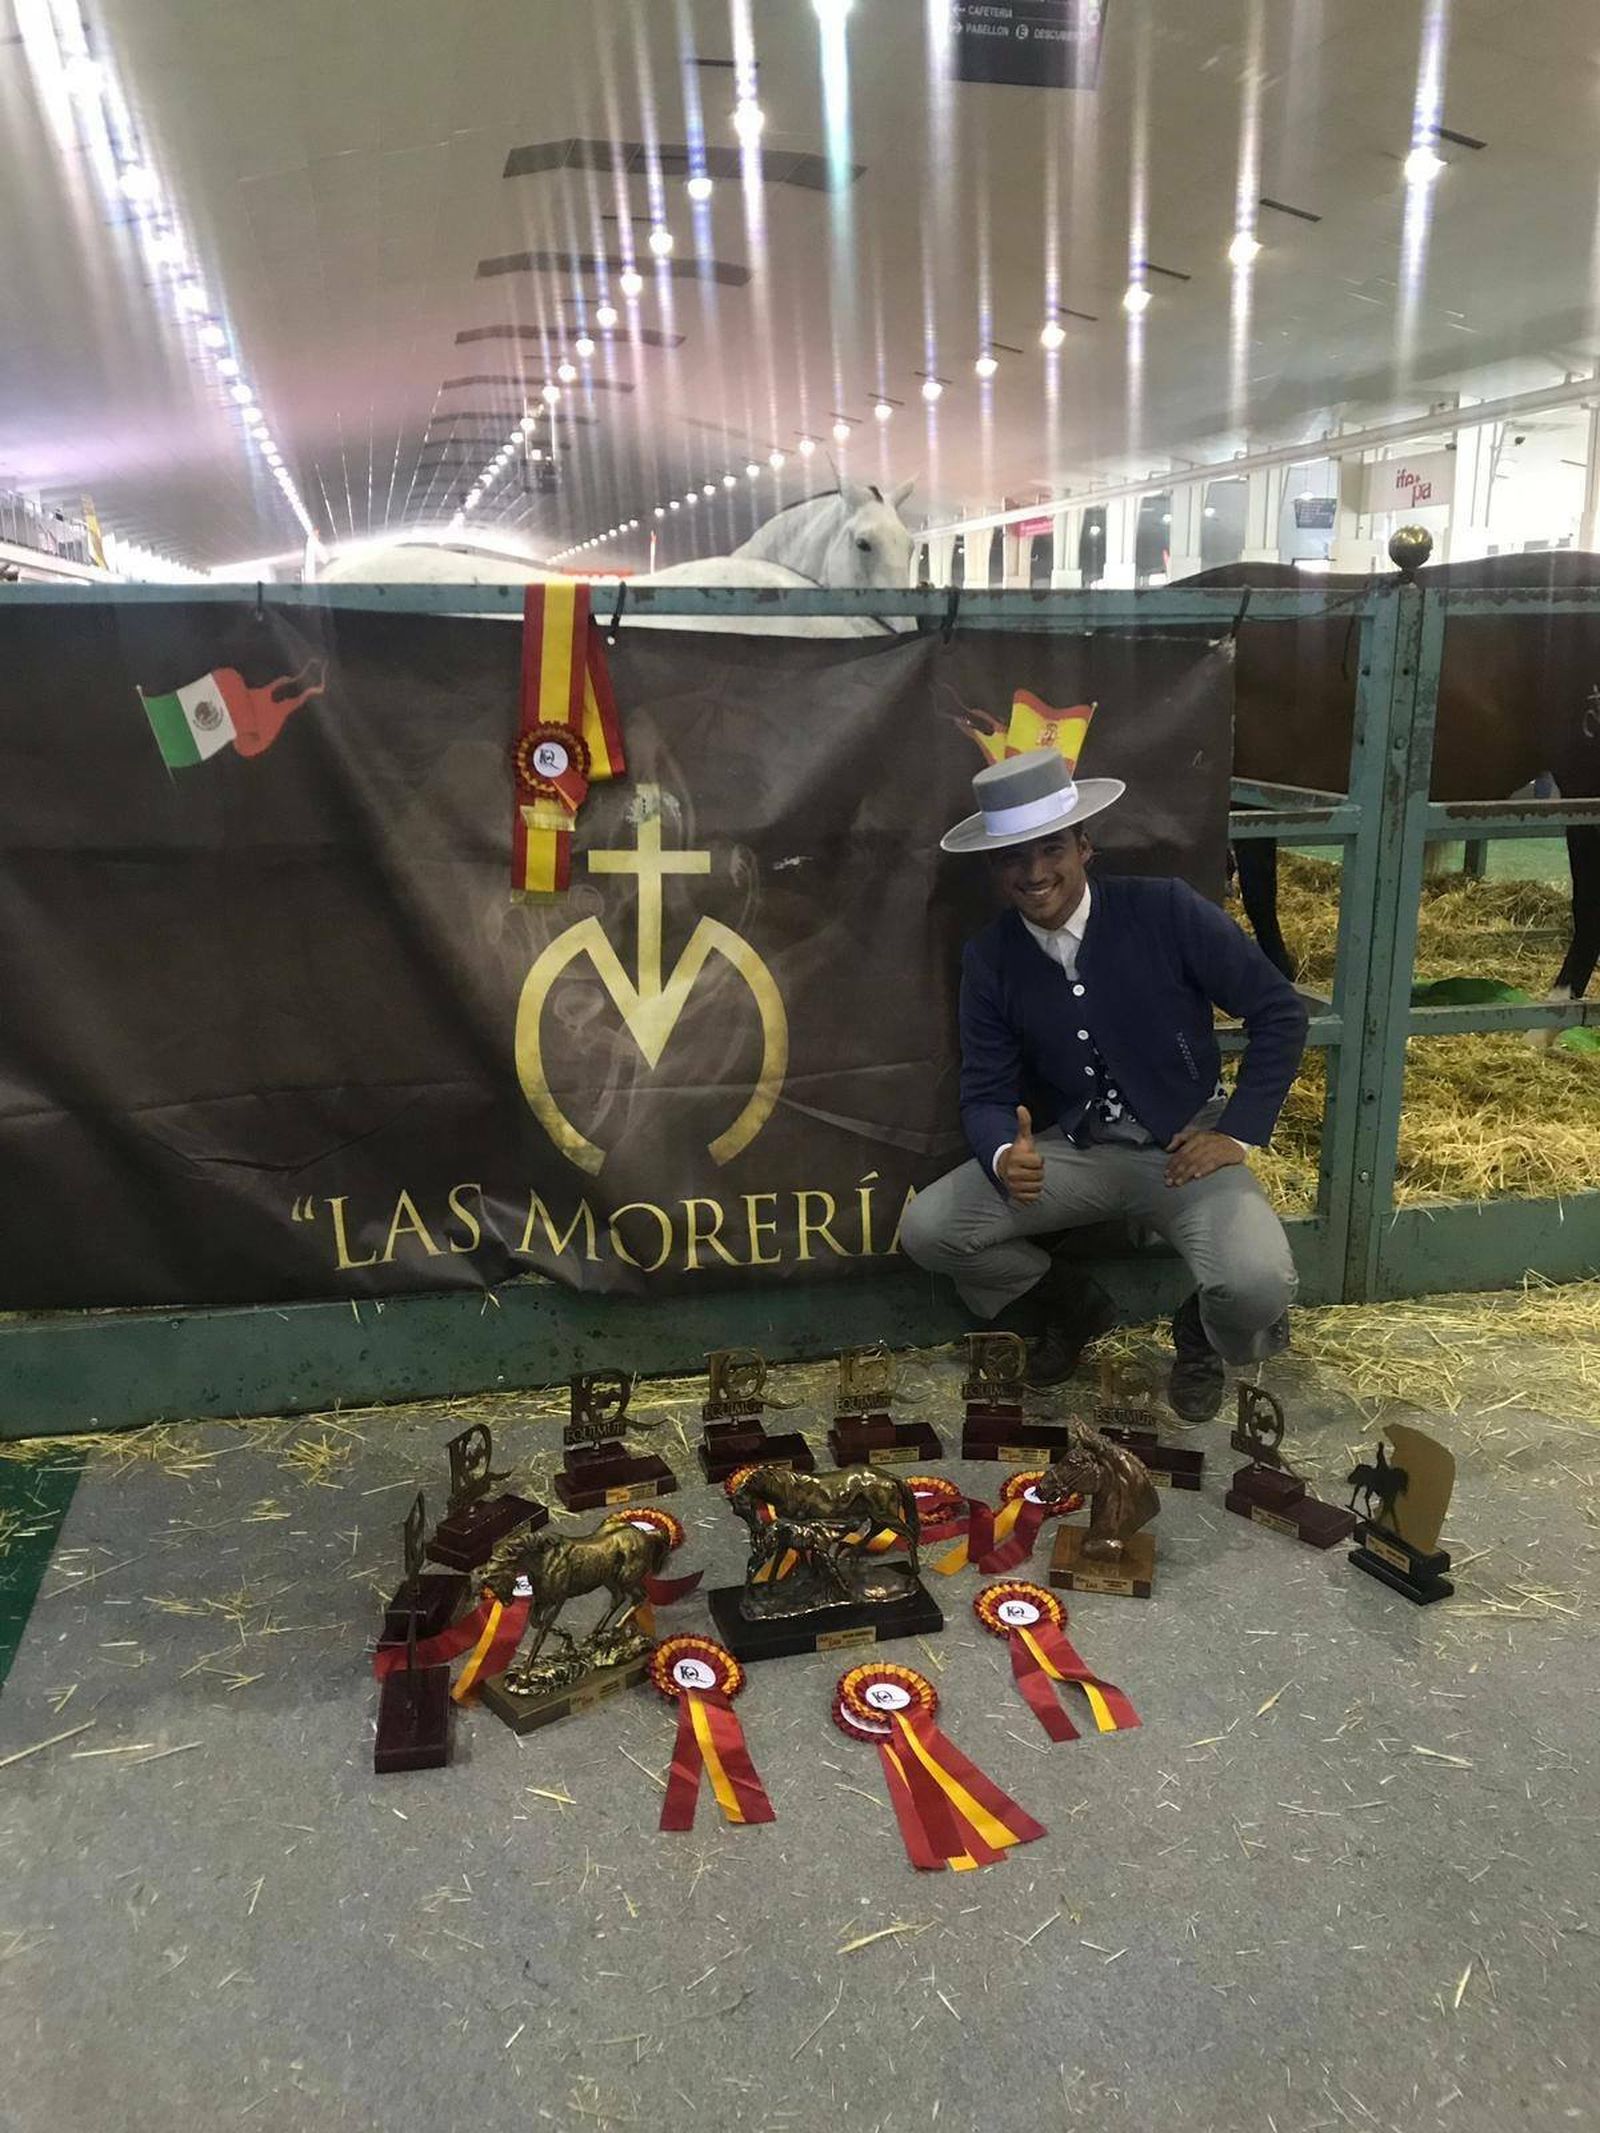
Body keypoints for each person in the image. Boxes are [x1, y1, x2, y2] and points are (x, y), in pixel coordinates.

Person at [900, 747, 1308, 1420]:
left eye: (1050, 848)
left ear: (1084, 846)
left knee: (1259, 1284)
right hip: (1076, 1152)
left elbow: (1279, 1010)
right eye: (1012, 857)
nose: (1034, 873)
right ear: (995, 868)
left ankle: (1204, 1329)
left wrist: (1236, 1129)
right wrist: (1006, 1153)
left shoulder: (1167, 910)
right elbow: (984, 1091)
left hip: (1183, 1153)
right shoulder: (992, 957)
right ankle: (1071, 1304)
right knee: (929, 1229)